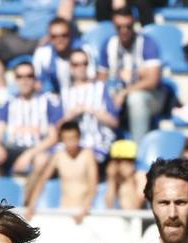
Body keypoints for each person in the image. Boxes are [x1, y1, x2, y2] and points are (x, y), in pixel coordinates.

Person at [0, 60, 61, 178]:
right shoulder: (9, 102)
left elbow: (53, 138)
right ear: (15, 79)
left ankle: (32, 195)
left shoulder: (47, 102)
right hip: (13, 148)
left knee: (42, 160)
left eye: (29, 76)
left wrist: (28, 155)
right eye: (20, 76)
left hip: (37, 148)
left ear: (35, 79)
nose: (25, 80)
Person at [99, 7, 164, 142]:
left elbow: (153, 80)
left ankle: (138, 151)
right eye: (119, 27)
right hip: (117, 95)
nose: (124, 31)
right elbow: (101, 79)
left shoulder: (146, 43)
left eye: (128, 26)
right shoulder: (108, 44)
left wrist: (125, 92)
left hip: (150, 97)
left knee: (136, 99)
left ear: (134, 23)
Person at [24, 120, 97, 223]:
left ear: (79, 137)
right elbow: (42, 181)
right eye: (67, 139)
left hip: (84, 211)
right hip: (64, 210)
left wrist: (85, 209)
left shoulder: (88, 155)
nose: (70, 143)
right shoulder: (58, 156)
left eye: (73, 138)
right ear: (62, 139)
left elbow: (93, 186)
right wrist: (31, 205)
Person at [59, 47, 119, 164]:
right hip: (72, 144)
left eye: (84, 63)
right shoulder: (65, 93)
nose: (81, 68)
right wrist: (70, 116)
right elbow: (57, 128)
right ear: (71, 67)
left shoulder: (100, 88)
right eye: (76, 64)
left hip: (99, 142)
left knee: (85, 158)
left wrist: (92, 111)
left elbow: (114, 122)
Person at [103, 138, 144, 210]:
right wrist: (111, 180)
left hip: (138, 219)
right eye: (117, 161)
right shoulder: (115, 177)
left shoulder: (141, 177)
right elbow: (108, 207)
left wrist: (129, 180)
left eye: (127, 160)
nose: (121, 165)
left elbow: (136, 207)